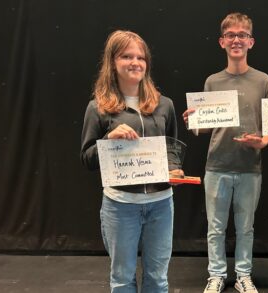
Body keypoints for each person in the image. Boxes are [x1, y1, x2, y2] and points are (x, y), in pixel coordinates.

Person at [80, 30, 182, 293]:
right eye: (127, 56)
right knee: (122, 278)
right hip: (120, 207)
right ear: (113, 61)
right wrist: (109, 140)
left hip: (161, 205)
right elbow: (87, 159)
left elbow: (170, 146)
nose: (135, 62)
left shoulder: (164, 105)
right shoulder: (98, 108)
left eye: (141, 57)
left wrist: (174, 168)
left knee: (158, 279)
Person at [183, 12, 268, 293]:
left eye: (242, 35)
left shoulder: (263, 81)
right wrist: (193, 122)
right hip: (217, 166)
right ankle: (217, 275)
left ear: (251, 42)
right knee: (216, 227)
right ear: (222, 42)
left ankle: (243, 275)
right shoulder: (212, 82)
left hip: (250, 167)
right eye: (231, 35)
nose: (237, 40)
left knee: (245, 227)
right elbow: (210, 126)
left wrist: (262, 143)